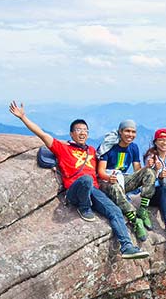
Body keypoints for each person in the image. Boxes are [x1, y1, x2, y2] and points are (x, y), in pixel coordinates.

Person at [8, 101, 149, 260]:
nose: (82, 133)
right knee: (86, 180)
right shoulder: (63, 148)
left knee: (115, 211)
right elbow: (42, 134)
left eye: (85, 130)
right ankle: (84, 207)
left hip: (93, 191)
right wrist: (23, 117)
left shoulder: (92, 151)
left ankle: (127, 247)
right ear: (71, 134)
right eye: (78, 130)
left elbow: (106, 166)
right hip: (75, 190)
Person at [96, 120, 157, 242]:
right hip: (106, 181)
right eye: (127, 131)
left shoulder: (133, 147)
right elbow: (101, 171)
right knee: (115, 187)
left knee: (149, 172)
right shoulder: (108, 146)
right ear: (120, 131)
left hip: (122, 178)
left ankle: (143, 209)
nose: (130, 134)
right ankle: (135, 220)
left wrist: (148, 167)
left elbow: (137, 170)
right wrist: (109, 178)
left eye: (133, 132)